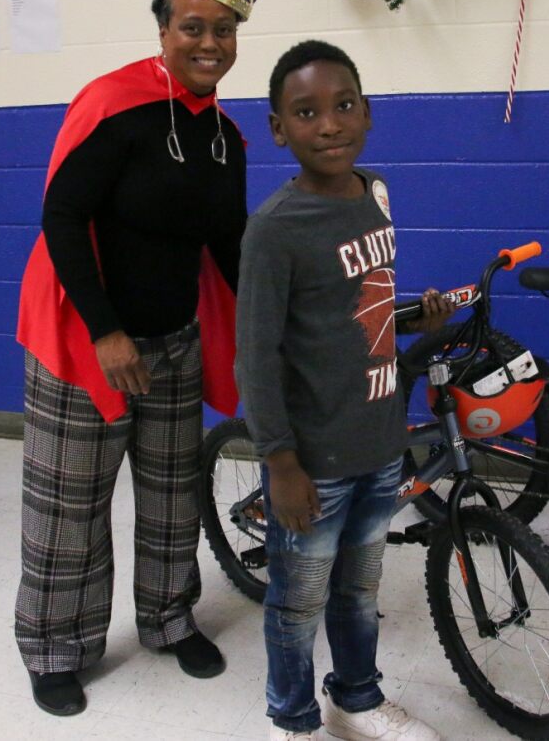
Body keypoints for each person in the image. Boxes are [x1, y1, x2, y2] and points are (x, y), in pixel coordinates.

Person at [13, 0, 263, 717]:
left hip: (175, 342)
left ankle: (167, 617)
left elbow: (230, 244)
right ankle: (55, 646)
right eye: (193, 26)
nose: (209, 44)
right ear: (162, 30)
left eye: (223, 30)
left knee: (169, 495)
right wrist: (106, 331)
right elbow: (62, 212)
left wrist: (281, 311)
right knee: (68, 506)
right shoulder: (114, 107)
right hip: (91, 345)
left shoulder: (226, 138)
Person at [236, 39, 450, 741]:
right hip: (313, 459)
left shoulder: (377, 193)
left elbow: (359, 306)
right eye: (306, 112)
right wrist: (280, 462)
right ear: (278, 127)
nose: (329, 124)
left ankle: (356, 696)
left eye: (344, 105)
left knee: (358, 592)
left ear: (367, 113)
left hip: (379, 441)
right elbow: (256, 354)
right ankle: (291, 717)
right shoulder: (272, 229)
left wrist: (417, 314)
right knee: (296, 603)